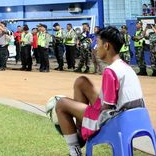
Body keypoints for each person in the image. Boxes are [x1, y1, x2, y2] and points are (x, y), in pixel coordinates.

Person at [54, 27, 145, 156]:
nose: (95, 47)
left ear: (106, 46)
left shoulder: (110, 71)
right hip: (136, 116)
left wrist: (81, 111)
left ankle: (74, 150)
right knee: (82, 81)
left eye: (98, 43)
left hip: (117, 120)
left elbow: (107, 107)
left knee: (62, 104)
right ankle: (79, 134)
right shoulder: (124, 66)